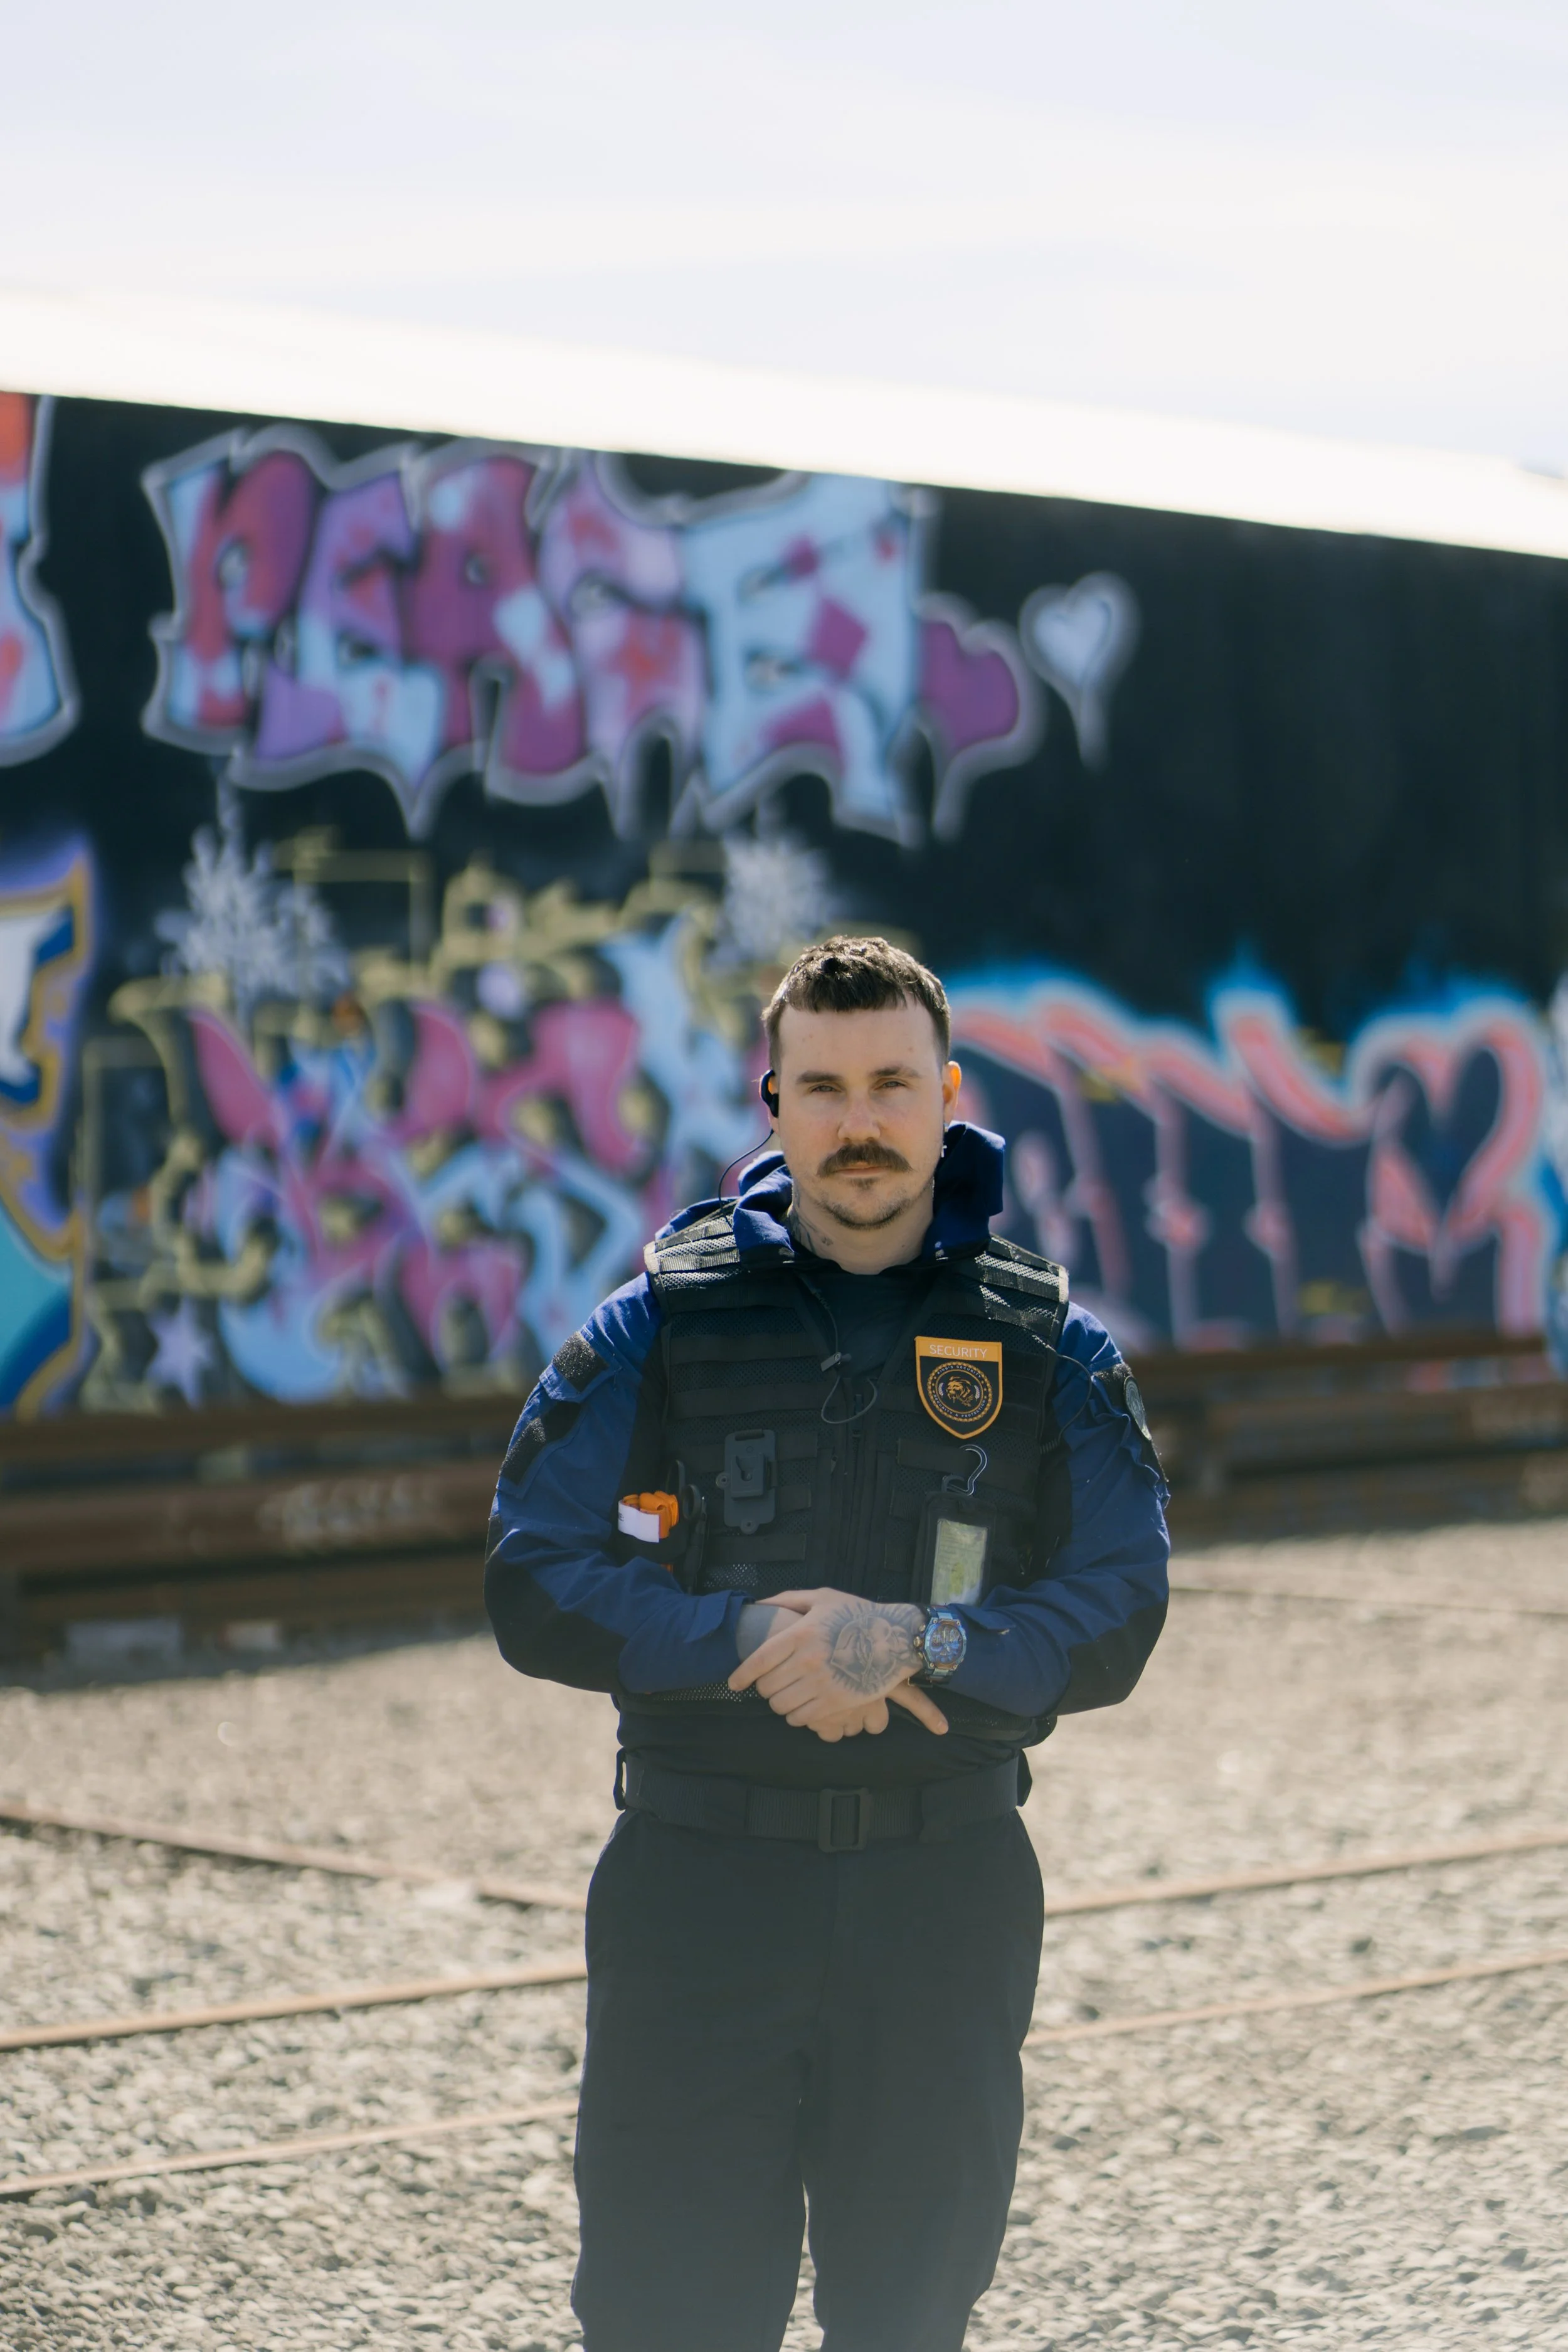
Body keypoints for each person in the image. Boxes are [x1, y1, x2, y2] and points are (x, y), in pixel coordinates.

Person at [485, 935, 1169, 2352]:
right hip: (698, 1886)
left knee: (909, 2310)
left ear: (946, 1094)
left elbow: (1119, 1602)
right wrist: (742, 1637)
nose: (858, 1122)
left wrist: (908, 1643)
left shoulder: (1051, 1350)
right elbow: (533, 1575)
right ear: (773, 1105)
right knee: (667, 2310)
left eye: (889, 1084)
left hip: (944, 1894)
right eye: (823, 1088)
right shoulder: (655, 1326)